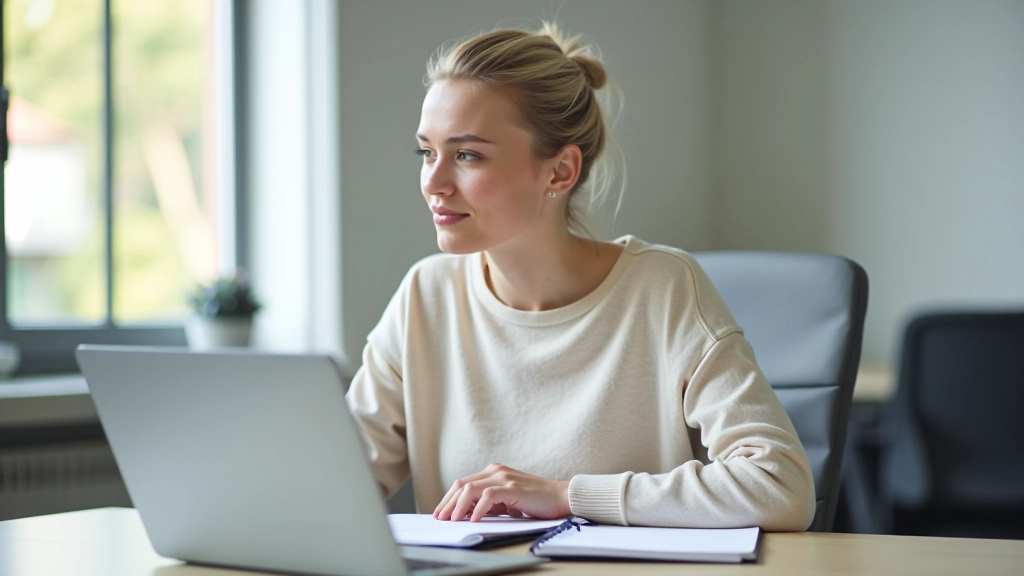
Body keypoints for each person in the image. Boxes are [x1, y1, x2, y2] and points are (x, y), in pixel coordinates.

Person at [345, 22, 815, 531]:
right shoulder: (426, 295)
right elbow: (332, 481)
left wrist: (566, 495)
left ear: (560, 171)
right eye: (427, 153)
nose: (433, 182)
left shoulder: (663, 289)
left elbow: (779, 486)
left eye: (467, 155)